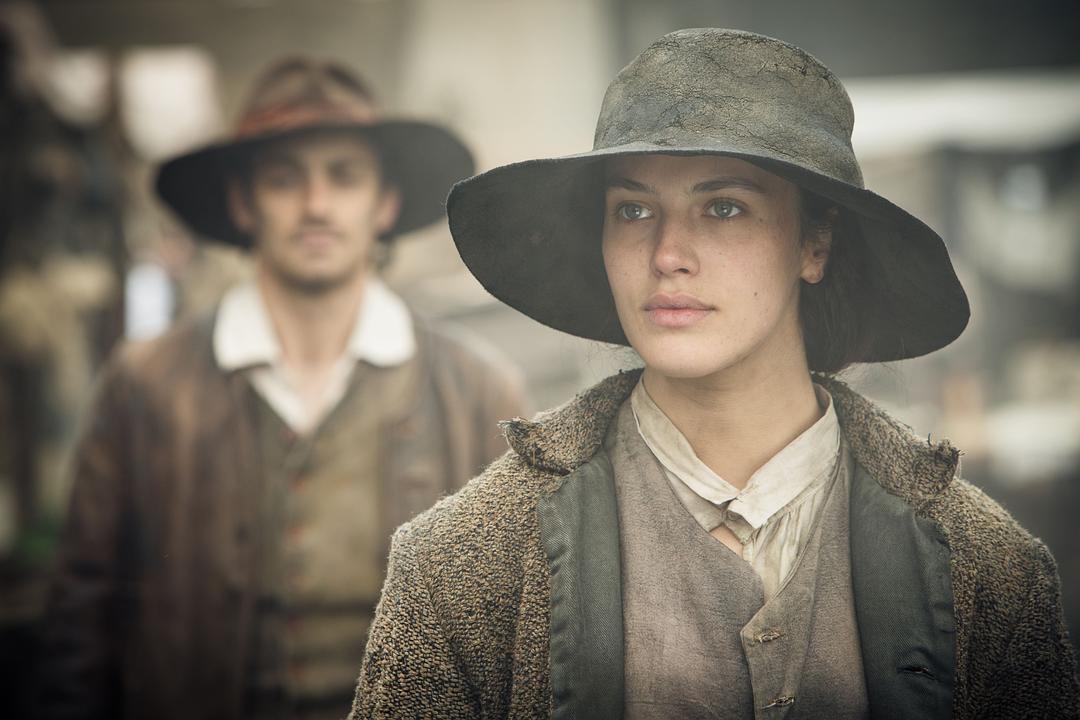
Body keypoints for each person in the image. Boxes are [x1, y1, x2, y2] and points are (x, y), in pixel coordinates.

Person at [351, 29, 1079, 719]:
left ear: (814, 245)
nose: (668, 253)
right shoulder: (466, 566)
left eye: (724, 207)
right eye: (633, 209)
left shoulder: (987, 570)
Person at [38, 58, 526, 720]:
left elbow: (522, 642)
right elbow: (79, 625)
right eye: (284, 178)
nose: (316, 205)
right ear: (243, 203)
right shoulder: (146, 386)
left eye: (344, 176)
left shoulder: (478, 394)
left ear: (383, 203)